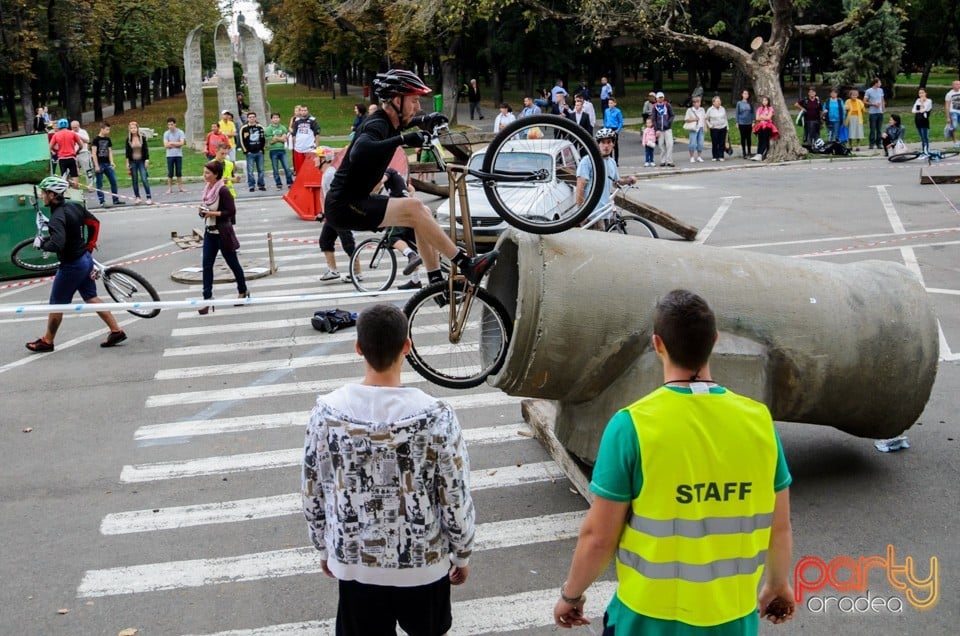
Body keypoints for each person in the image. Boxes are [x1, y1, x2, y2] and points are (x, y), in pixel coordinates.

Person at [552, 289, 795, 634]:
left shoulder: (632, 425)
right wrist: (777, 584)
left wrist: (571, 595)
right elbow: (779, 526)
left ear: (657, 344)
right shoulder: (758, 421)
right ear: (714, 340)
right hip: (733, 618)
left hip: (647, 618)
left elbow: (599, 537)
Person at [302, 302, 475, 636]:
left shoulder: (326, 414)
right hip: (424, 566)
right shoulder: (437, 416)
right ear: (407, 347)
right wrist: (462, 553)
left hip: (355, 566)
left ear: (358, 347)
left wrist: (323, 546)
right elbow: (454, 493)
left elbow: (313, 489)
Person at [323, 69, 498, 289]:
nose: (417, 106)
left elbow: (405, 124)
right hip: (344, 205)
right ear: (397, 100)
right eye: (414, 100)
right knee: (414, 207)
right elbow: (360, 150)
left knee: (421, 213)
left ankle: (435, 281)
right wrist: (404, 140)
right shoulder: (376, 124)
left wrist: (425, 119)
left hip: (355, 200)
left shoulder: (390, 121)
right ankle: (466, 264)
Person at [25, 176, 128, 353]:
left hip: (71, 265)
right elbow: (94, 223)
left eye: (44, 193)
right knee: (90, 297)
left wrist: (41, 244)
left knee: (57, 304)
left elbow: (57, 244)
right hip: (85, 259)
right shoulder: (74, 206)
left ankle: (47, 341)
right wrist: (88, 246)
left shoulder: (57, 217)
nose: (42, 196)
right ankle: (116, 331)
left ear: (52, 194)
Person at [197, 160, 248, 314]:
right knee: (206, 265)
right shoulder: (207, 189)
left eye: (207, 173)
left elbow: (231, 212)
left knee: (233, 264)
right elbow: (205, 207)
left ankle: (243, 290)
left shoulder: (223, 191)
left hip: (222, 233)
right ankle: (207, 297)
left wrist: (212, 213)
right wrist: (202, 211)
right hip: (209, 233)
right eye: (204, 172)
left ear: (216, 175)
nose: (204, 176)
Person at [575, 127, 637, 228]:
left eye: (609, 142)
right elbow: (580, 186)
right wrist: (581, 212)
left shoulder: (611, 162)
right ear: (597, 144)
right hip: (592, 213)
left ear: (613, 144)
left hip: (606, 212)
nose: (606, 146)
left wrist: (629, 180)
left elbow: (617, 181)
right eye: (603, 142)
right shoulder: (588, 161)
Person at [315, 146, 360, 283]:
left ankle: (357, 273)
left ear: (324, 159)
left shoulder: (330, 174)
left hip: (340, 214)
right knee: (325, 241)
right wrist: (324, 213)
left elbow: (339, 194)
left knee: (348, 243)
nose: (314, 160)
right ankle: (333, 271)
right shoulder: (327, 173)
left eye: (317, 157)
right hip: (332, 214)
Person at [90, 123, 125, 207]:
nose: (108, 131)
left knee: (113, 181)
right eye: (107, 129)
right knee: (99, 183)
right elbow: (93, 153)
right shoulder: (95, 140)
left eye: (109, 129)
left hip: (107, 163)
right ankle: (102, 201)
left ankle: (115, 199)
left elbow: (110, 151)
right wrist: (96, 165)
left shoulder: (108, 139)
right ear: (102, 129)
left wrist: (112, 161)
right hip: (99, 163)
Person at [49, 119, 85, 190]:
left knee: (64, 179)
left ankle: (67, 194)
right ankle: (76, 192)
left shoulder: (56, 135)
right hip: (71, 157)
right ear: (67, 125)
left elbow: (50, 147)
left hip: (62, 159)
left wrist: (54, 151)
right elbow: (81, 145)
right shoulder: (73, 133)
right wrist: (77, 151)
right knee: (75, 177)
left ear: (59, 126)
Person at [125, 121, 152, 205]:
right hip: (133, 161)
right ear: (129, 129)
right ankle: (137, 197)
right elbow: (127, 152)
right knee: (135, 180)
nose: (133, 129)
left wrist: (147, 160)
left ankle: (149, 197)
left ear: (137, 128)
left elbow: (146, 149)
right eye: (131, 128)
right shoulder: (128, 139)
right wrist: (127, 163)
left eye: (135, 128)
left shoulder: (142, 138)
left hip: (141, 161)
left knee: (144, 179)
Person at [239, 111, 267, 192]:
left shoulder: (260, 127)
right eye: (250, 117)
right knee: (250, 171)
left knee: (261, 170)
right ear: (247, 118)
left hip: (259, 152)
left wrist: (262, 149)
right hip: (250, 153)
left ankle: (261, 185)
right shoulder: (244, 128)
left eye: (253, 117)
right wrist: (246, 151)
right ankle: (251, 185)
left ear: (255, 118)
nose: (252, 118)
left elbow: (263, 139)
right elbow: (241, 140)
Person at [265, 112, 294, 189]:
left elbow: (285, 139)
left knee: (287, 167)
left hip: (282, 150)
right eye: (274, 118)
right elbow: (271, 141)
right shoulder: (268, 129)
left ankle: (290, 182)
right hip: (273, 150)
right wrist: (280, 138)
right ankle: (278, 183)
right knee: (275, 168)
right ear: (271, 119)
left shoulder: (283, 128)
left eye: (277, 117)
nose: (275, 119)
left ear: (279, 118)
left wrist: (277, 138)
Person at [291, 104, 320, 175]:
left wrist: (316, 145)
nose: (303, 112)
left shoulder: (313, 120)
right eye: (302, 110)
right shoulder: (297, 121)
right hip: (299, 148)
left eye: (305, 110)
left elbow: (317, 134)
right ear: (300, 111)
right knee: (299, 169)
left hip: (309, 149)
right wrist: (295, 145)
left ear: (308, 111)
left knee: (310, 168)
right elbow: (294, 134)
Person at [163, 117, 187, 194]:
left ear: (175, 124)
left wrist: (171, 143)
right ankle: (169, 188)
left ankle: (180, 187)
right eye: (169, 125)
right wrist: (176, 143)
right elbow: (166, 145)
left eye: (172, 124)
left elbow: (182, 143)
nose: (170, 126)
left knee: (179, 172)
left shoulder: (180, 132)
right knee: (170, 172)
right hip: (169, 155)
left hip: (178, 155)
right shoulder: (166, 133)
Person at [652, 92, 675, 167]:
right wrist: (656, 129)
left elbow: (672, 115)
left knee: (670, 144)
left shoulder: (667, 105)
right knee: (661, 145)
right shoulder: (655, 107)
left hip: (667, 128)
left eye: (662, 97)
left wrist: (669, 122)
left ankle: (669, 160)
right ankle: (662, 160)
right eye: (659, 97)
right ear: (656, 98)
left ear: (663, 98)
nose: (660, 99)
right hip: (659, 129)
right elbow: (654, 119)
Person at [71, 121, 95, 192]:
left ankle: (90, 186)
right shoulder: (70, 132)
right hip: (74, 154)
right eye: (72, 127)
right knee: (73, 171)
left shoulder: (83, 132)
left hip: (83, 153)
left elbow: (87, 140)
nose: (74, 129)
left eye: (75, 127)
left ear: (78, 126)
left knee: (87, 170)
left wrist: (78, 136)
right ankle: (74, 186)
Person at [753, 96, 777, 161]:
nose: (764, 102)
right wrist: (764, 117)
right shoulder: (760, 109)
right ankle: (758, 154)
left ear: (768, 101)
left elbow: (769, 118)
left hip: (768, 126)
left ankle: (761, 154)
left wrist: (762, 116)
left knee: (765, 139)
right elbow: (757, 118)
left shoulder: (770, 108)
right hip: (760, 125)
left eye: (766, 100)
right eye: (763, 100)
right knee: (760, 139)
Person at [864, 78, 885, 150]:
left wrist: (883, 108)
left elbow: (882, 100)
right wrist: (873, 104)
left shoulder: (881, 90)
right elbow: (865, 101)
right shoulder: (868, 91)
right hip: (872, 112)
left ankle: (879, 143)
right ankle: (871, 143)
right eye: (879, 83)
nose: (880, 84)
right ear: (876, 83)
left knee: (879, 129)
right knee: (872, 129)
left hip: (880, 112)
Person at [602, 96, 624, 164]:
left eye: (611, 103)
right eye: (609, 103)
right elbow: (605, 120)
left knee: (614, 145)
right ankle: (610, 159)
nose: (610, 104)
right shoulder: (606, 111)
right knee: (608, 144)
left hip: (615, 129)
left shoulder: (618, 111)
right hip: (608, 128)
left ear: (615, 103)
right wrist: (605, 127)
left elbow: (621, 122)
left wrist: (618, 130)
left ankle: (616, 161)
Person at [706, 96, 729, 162]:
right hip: (714, 128)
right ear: (713, 102)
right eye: (717, 101)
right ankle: (715, 156)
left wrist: (727, 127)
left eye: (720, 101)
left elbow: (725, 118)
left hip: (723, 127)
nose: (719, 102)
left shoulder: (722, 108)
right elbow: (706, 119)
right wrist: (710, 125)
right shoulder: (710, 110)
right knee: (715, 142)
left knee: (722, 142)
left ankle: (721, 155)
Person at [684, 96, 706, 163]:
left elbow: (704, 118)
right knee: (692, 143)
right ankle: (692, 157)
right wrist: (694, 119)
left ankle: (699, 156)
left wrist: (705, 126)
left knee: (700, 143)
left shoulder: (702, 109)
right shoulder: (690, 110)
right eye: (696, 102)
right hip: (694, 128)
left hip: (701, 128)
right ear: (693, 103)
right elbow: (686, 120)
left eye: (699, 102)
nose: (698, 103)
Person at [913, 88, 933, 155]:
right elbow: (914, 110)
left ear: (925, 93)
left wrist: (922, 103)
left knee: (925, 137)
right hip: (917, 120)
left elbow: (925, 109)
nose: (921, 94)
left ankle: (926, 150)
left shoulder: (929, 101)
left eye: (922, 93)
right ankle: (923, 150)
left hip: (924, 121)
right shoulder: (917, 100)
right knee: (921, 137)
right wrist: (919, 108)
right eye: (920, 93)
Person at [735, 90, 755, 158]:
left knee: (748, 137)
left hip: (749, 123)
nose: (746, 95)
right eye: (744, 93)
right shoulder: (739, 103)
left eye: (747, 94)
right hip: (741, 122)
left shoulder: (750, 103)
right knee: (743, 137)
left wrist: (753, 121)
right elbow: (737, 113)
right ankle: (744, 152)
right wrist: (737, 122)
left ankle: (749, 151)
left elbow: (752, 113)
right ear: (742, 94)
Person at [944, 80, 960, 148]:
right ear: (953, 85)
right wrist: (948, 117)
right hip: (953, 112)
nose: (958, 86)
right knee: (954, 127)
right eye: (956, 84)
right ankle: (955, 141)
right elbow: (947, 106)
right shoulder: (949, 94)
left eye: (959, 84)